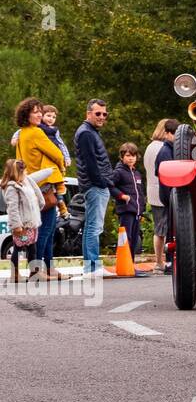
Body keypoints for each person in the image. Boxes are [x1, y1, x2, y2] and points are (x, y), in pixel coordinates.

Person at [15, 97, 66, 279]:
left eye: (40, 112)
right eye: (35, 112)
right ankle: (38, 269)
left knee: (42, 228)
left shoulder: (21, 133)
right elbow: (57, 154)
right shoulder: (36, 132)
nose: (39, 115)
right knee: (47, 229)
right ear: (27, 115)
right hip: (43, 185)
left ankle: (48, 269)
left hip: (29, 183)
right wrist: (60, 164)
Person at [75, 99, 114, 275]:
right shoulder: (86, 133)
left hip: (95, 185)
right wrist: (101, 182)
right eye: (97, 113)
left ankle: (91, 266)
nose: (101, 117)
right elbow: (90, 162)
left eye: (104, 114)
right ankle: (92, 267)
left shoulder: (90, 132)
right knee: (93, 227)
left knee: (92, 226)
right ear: (88, 114)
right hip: (94, 186)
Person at [2, 159, 53, 281]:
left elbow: (36, 180)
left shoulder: (24, 183)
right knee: (18, 248)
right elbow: (12, 209)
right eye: (24, 171)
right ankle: (15, 275)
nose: (26, 173)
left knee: (32, 248)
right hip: (22, 227)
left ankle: (34, 272)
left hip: (31, 225)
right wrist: (17, 226)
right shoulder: (11, 188)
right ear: (17, 172)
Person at [144, 120, 178, 273]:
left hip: (153, 189)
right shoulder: (161, 149)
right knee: (163, 229)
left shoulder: (150, 147)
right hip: (162, 191)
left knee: (160, 229)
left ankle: (160, 261)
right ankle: (160, 262)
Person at [111, 142, 145, 259]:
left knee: (135, 238)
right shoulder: (118, 172)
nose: (131, 158)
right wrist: (121, 196)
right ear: (122, 157)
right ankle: (123, 262)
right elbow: (110, 186)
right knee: (126, 237)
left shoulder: (137, 173)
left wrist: (141, 210)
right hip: (126, 210)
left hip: (136, 211)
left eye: (133, 156)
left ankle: (130, 264)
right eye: (128, 156)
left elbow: (140, 193)